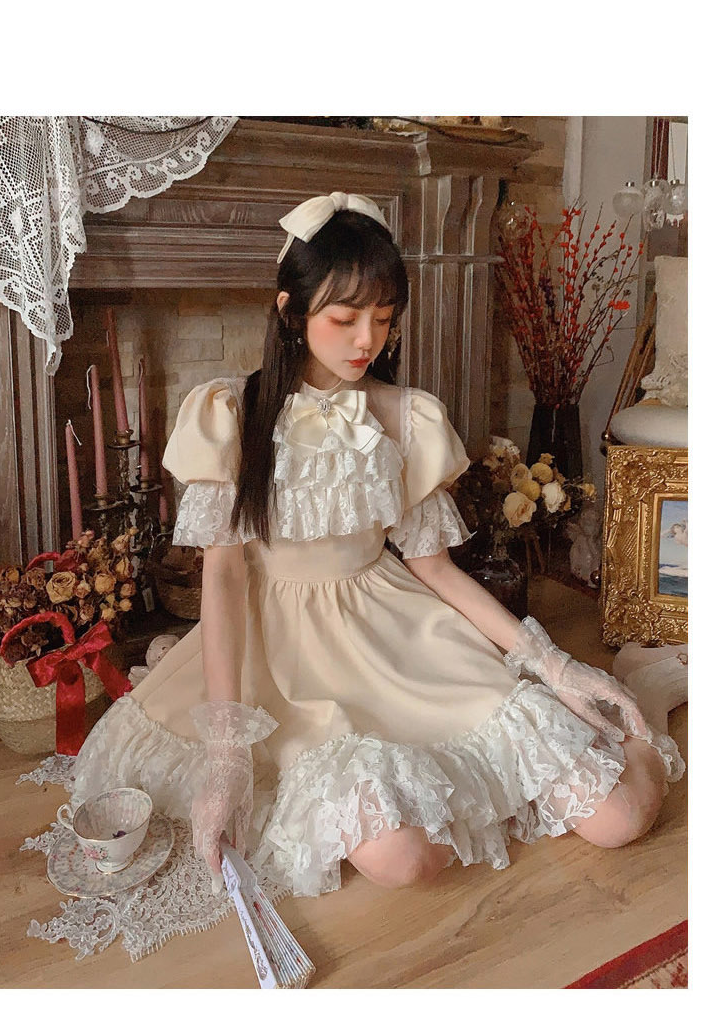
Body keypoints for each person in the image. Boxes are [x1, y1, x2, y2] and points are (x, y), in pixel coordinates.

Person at [63, 194, 679, 917]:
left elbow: (434, 567)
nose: (367, 340)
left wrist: (552, 663)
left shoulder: (406, 416)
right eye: (346, 318)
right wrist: (227, 747)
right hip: (278, 652)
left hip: (394, 633)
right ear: (291, 311)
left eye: (384, 319)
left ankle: (648, 702)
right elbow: (224, 579)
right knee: (401, 858)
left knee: (619, 819)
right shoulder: (230, 412)